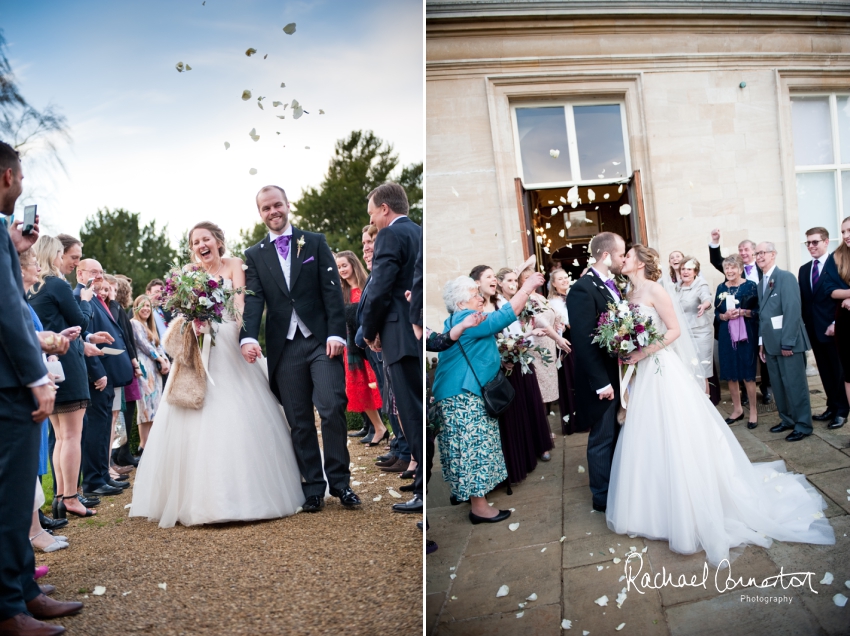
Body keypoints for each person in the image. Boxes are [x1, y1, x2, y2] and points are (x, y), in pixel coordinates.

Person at [606, 244, 834, 566]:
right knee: (647, 437)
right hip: (642, 374)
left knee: (675, 434)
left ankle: (687, 508)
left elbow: (673, 331)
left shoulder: (656, 289)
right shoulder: (630, 292)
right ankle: (650, 507)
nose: (623, 259)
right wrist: (625, 343)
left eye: (628, 255)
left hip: (659, 368)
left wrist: (642, 351)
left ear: (641, 262)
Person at [132, 221, 305, 527]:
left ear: (218, 241)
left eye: (206, 239)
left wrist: (245, 338)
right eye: (196, 241)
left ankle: (250, 495)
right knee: (192, 410)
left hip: (228, 340)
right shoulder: (188, 272)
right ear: (192, 248)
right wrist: (193, 322)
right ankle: (197, 498)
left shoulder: (235, 264)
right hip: (198, 347)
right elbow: (182, 311)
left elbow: (240, 304)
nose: (202, 245)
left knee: (241, 407)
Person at [0, 139, 83, 636]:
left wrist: (14, 247)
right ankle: (8, 607)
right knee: (11, 495)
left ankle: (23, 590)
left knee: (12, 494)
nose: (23, 185)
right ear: (8, 177)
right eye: (23, 176)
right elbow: (8, 310)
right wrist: (36, 375)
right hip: (9, 381)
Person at [240, 188, 359, 514]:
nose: (273, 211)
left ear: (287, 206)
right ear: (260, 213)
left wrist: (337, 332)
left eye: (277, 204)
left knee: (333, 405)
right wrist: (248, 337)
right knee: (299, 420)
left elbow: (332, 292)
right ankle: (313, 488)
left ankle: (341, 483)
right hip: (285, 347)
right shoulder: (254, 254)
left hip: (321, 340)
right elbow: (253, 301)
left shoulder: (315, 241)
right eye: (266, 208)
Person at [433, 271, 545, 524]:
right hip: (463, 395)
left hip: (454, 394)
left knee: (461, 449)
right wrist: (526, 287)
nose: (480, 297)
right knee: (474, 449)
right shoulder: (467, 318)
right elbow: (504, 316)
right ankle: (479, 508)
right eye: (475, 294)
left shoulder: (456, 319)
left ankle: (464, 494)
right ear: (461, 303)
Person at [360, 183, 423, 514]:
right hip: (415, 331)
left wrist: (369, 330)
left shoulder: (390, 235)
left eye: (372, 212)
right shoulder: (419, 232)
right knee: (415, 408)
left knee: (411, 414)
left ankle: (423, 492)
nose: (372, 220)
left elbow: (381, 287)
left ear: (385, 208)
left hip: (398, 334)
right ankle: (420, 483)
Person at [27, 236, 101, 518]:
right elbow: (80, 323)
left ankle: (60, 495)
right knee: (71, 435)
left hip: (48, 363)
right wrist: (84, 301)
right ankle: (70, 495)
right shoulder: (56, 284)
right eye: (61, 255)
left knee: (60, 435)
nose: (63, 260)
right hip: (67, 361)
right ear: (53, 255)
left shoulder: (32, 289)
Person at [567, 232, 626, 512]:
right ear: (606, 256)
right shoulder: (582, 288)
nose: (623, 259)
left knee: (616, 433)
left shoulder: (610, 285)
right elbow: (583, 339)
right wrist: (601, 383)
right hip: (602, 378)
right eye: (621, 254)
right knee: (602, 436)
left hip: (617, 372)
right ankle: (601, 496)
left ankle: (616, 485)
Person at [74, 259, 134, 498]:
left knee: (102, 428)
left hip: (108, 374)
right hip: (99, 373)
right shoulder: (81, 297)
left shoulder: (96, 298)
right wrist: (97, 372)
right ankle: (93, 480)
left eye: (101, 271)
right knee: (97, 429)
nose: (99, 275)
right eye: (93, 271)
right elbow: (84, 335)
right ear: (80, 272)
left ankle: (102, 475)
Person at [754, 242, 813, 442]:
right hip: (770, 345)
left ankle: (803, 424)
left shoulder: (785, 277)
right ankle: (787, 419)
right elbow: (764, 316)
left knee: (795, 385)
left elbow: (793, 311)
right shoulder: (761, 283)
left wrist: (788, 342)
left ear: (773, 254)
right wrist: (762, 343)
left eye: (763, 252)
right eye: (757, 253)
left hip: (789, 343)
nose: (759, 256)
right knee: (778, 385)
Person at [709, 229, 772, 404]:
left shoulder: (763, 268)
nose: (743, 253)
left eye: (746, 250)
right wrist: (715, 242)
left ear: (753, 252)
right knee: (742, 357)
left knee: (762, 353)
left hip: (760, 318)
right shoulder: (731, 274)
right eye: (740, 250)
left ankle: (766, 387)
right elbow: (717, 261)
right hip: (738, 324)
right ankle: (744, 393)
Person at [335, 250, 386, 445]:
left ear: (353, 264)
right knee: (360, 388)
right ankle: (379, 427)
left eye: (344, 266)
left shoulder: (367, 286)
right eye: (339, 267)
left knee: (378, 386)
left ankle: (391, 430)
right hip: (351, 348)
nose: (342, 270)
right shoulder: (341, 292)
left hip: (371, 345)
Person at [799, 227, 847, 429]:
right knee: (825, 372)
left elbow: (844, 294)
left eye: (815, 242)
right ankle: (831, 405)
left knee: (840, 372)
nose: (811, 246)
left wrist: (836, 323)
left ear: (826, 242)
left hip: (834, 328)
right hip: (814, 330)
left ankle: (843, 411)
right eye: (808, 243)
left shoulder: (837, 263)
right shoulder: (803, 270)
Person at [714, 255, 759, 428]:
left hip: (745, 332)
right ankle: (737, 409)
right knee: (730, 373)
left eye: (733, 268)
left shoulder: (750, 286)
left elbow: (757, 311)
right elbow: (717, 313)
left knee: (747, 373)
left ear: (740, 269)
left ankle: (753, 411)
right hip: (726, 334)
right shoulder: (720, 287)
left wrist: (744, 312)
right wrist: (724, 316)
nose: (730, 271)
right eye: (727, 268)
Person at [130, 295, 170, 453]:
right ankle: (143, 445)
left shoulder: (149, 326)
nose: (146, 308)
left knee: (155, 408)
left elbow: (158, 346)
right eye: (142, 306)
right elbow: (143, 344)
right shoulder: (135, 323)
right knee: (145, 408)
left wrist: (165, 360)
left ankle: (152, 446)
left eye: (148, 306)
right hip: (144, 370)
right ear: (136, 308)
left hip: (155, 371)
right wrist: (160, 358)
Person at [822, 216, 850, 426]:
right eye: (843, 232)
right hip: (846, 323)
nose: (846, 236)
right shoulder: (837, 257)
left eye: (849, 231)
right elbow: (830, 290)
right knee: (848, 374)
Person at [549, 267, 581, 434]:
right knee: (571, 382)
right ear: (553, 284)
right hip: (567, 346)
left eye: (565, 277)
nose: (564, 280)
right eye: (559, 279)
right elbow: (567, 324)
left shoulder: (573, 295)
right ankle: (574, 423)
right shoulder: (553, 303)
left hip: (578, 343)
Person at [675, 256, 714, 391]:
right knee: (687, 371)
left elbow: (707, 298)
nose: (686, 272)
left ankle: (706, 405)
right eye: (683, 269)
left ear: (695, 271)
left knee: (701, 372)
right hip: (682, 334)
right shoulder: (676, 287)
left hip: (700, 333)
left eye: (689, 269)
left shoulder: (701, 284)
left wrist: (704, 305)